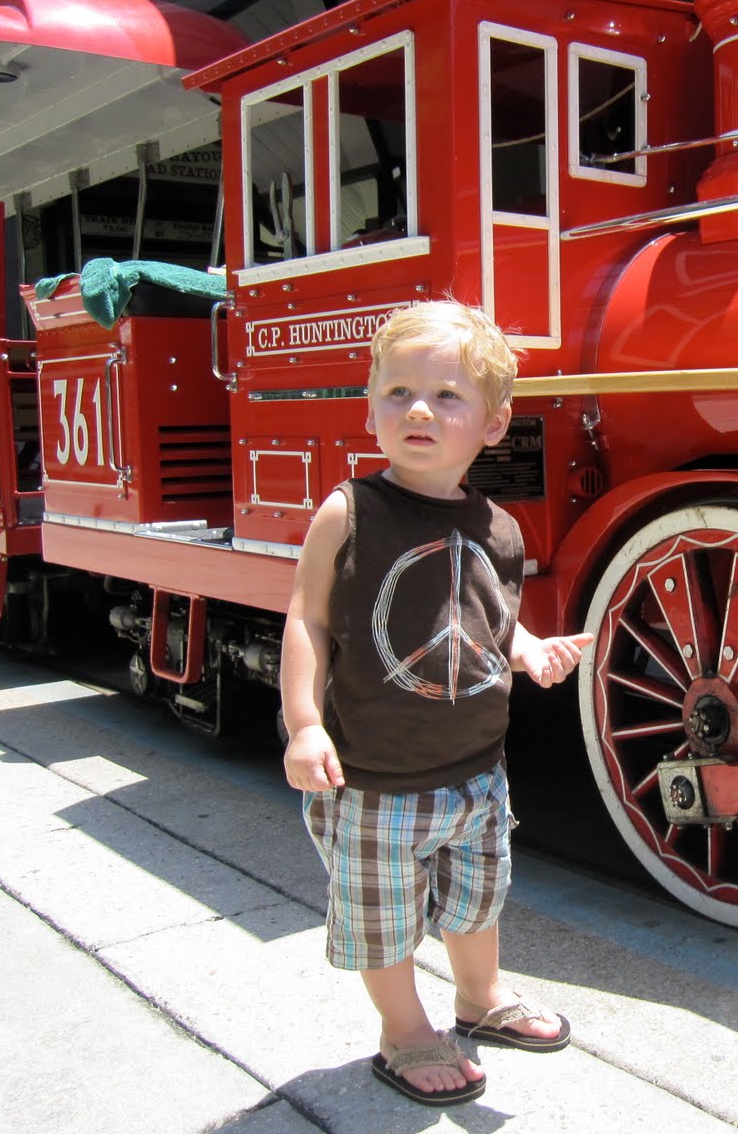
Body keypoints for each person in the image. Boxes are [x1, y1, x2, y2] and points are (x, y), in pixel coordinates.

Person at [280, 300, 593, 1107]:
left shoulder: (501, 528)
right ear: (370, 406)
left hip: (477, 774)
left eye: (447, 396)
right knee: (380, 917)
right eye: (397, 392)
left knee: (477, 901)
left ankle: (479, 998)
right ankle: (405, 1030)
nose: (419, 409)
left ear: (494, 424)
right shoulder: (348, 511)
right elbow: (307, 618)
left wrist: (530, 652)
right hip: (377, 777)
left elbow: (489, 613)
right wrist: (306, 723)